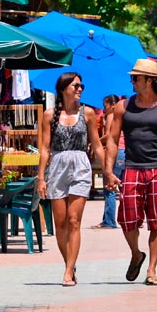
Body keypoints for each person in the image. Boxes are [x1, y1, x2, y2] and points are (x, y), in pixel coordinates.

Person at [105, 59, 157, 286]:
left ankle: (151, 269)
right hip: (131, 168)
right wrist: (109, 171)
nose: (132, 81)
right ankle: (136, 253)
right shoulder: (123, 107)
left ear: (150, 81)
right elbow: (111, 139)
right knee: (127, 219)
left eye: (136, 78)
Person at [37, 72, 105, 286]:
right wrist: (41, 177)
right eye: (75, 85)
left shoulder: (89, 113)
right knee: (60, 223)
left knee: (74, 220)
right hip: (57, 166)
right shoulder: (49, 115)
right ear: (64, 88)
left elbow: (96, 144)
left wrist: (108, 172)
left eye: (81, 85)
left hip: (80, 166)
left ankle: (68, 271)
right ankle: (70, 262)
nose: (80, 89)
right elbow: (45, 148)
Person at [93, 94, 122, 229]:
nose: (104, 109)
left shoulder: (112, 116)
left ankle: (109, 220)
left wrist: (95, 140)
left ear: (111, 104)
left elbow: (110, 136)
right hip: (124, 151)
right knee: (123, 186)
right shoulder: (122, 115)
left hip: (114, 151)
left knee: (109, 186)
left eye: (105, 106)